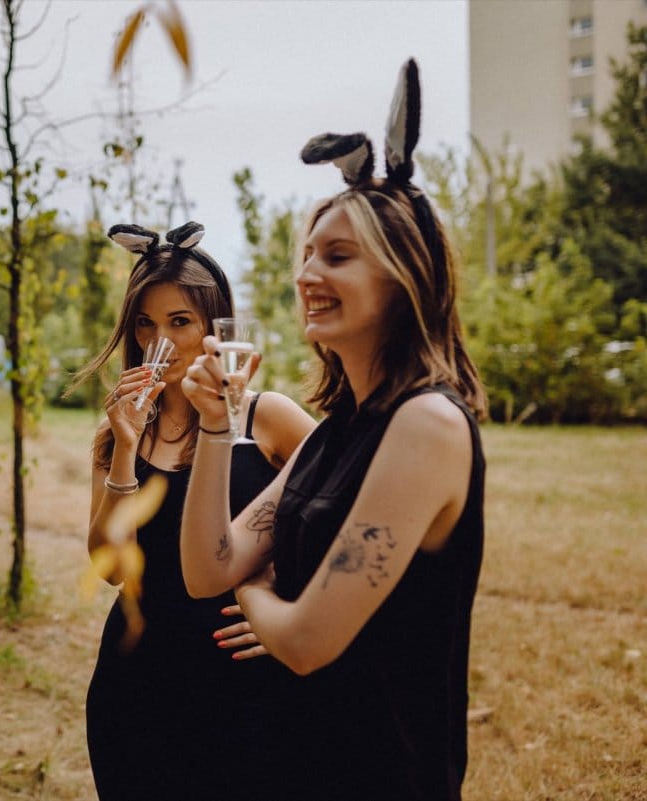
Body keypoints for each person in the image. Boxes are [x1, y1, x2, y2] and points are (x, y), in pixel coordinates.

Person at [178, 59, 488, 801]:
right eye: (308, 254)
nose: (308, 272)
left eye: (339, 256)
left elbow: (308, 641)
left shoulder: (426, 423)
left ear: (405, 274)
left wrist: (263, 593)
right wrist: (217, 431)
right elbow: (207, 568)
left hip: (381, 771)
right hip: (293, 761)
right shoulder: (331, 434)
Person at [70, 220, 315, 801]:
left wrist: (293, 596)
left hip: (246, 687)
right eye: (146, 323)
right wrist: (126, 451)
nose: (163, 340)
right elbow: (110, 568)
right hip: (139, 685)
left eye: (181, 322)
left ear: (213, 329)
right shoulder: (119, 429)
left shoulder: (268, 419)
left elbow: (348, 503)